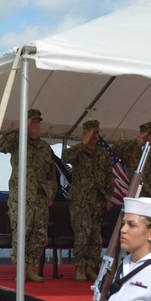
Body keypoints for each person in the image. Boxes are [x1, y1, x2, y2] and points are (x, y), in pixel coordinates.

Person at [0, 108, 58, 283]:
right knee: (21, 233)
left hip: (40, 199)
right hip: (21, 199)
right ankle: (20, 270)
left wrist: (49, 194)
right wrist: (21, 128)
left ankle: (31, 268)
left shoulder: (45, 147)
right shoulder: (18, 141)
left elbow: (52, 175)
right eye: (32, 121)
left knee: (38, 235)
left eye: (38, 121)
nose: (36, 125)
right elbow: (0, 146)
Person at [62, 120, 113, 282]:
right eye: (91, 133)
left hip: (98, 200)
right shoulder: (78, 151)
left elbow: (108, 176)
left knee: (95, 236)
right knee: (83, 234)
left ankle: (91, 266)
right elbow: (65, 158)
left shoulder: (102, 153)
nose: (95, 136)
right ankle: (80, 267)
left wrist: (108, 197)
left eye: (97, 133)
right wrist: (82, 144)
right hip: (81, 199)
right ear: (84, 133)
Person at [112, 122, 151, 202]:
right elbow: (116, 150)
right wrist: (137, 139)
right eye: (150, 134)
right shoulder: (133, 152)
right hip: (137, 196)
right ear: (143, 135)